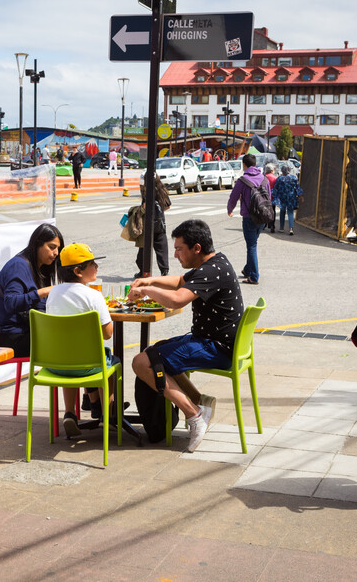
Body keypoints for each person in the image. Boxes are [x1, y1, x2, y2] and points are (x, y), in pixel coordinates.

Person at [128, 219, 244, 452]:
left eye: (179, 249)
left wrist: (147, 290)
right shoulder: (216, 263)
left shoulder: (211, 271)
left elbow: (178, 299)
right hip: (214, 342)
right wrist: (151, 279)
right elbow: (181, 281)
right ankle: (200, 400)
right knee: (153, 353)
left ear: (196, 248)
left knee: (141, 362)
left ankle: (194, 414)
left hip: (216, 348)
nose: (175, 255)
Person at [46, 243, 120, 438]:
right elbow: (108, 334)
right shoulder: (94, 296)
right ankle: (107, 415)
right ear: (78, 271)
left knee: (69, 358)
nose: (96, 267)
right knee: (111, 363)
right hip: (89, 366)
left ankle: (70, 412)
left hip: (56, 365)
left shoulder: (53, 293)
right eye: (92, 264)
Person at [0, 223, 64, 357]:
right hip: (13, 337)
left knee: (72, 333)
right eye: (51, 247)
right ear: (38, 244)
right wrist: (45, 291)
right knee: (68, 339)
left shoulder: (40, 267)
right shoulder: (18, 265)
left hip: (30, 331)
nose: (56, 253)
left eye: (58, 249)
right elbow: (11, 303)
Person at [227, 153, 270, 285]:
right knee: (253, 243)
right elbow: (269, 197)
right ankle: (247, 269)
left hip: (249, 217)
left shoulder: (242, 181)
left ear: (244, 165)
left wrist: (230, 210)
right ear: (255, 164)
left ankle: (254, 276)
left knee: (251, 246)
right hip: (263, 216)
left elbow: (233, 197)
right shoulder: (264, 179)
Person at [134, 173, 170, 278]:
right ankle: (164, 271)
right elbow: (168, 206)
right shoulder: (162, 190)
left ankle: (143, 271)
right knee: (162, 249)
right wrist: (159, 211)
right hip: (160, 224)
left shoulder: (147, 191)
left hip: (148, 225)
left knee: (143, 249)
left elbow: (144, 207)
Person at [274, 165, 303, 235]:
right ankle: (291, 229)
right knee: (290, 212)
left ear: (282, 170)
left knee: (282, 211)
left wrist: (275, 197)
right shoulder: (294, 178)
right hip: (291, 197)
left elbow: (276, 188)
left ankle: (281, 228)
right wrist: (300, 195)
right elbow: (297, 188)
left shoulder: (279, 178)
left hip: (282, 197)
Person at [263, 163, 278, 233]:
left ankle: (264, 224)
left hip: (264, 197)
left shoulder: (263, 177)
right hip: (272, 197)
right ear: (272, 170)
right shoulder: (275, 178)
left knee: (265, 211)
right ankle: (272, 225)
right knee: (273, 211)